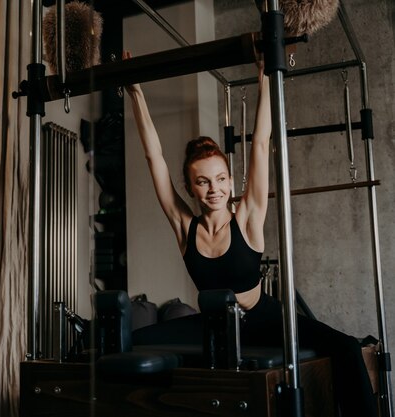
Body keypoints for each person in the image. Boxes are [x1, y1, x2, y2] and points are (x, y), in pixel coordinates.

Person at [123, 50, 377, 417]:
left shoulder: (248, 217)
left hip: (263, 320)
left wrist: (264, 77)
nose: (215, 188)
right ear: (191, 188)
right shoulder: (184, 226)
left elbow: (260, 143)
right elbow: (155, 160)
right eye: (203, 181)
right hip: (213, 327)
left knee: (347, 348)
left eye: (222, 179)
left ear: (230, 181)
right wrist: (136, 94)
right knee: (133, 342)